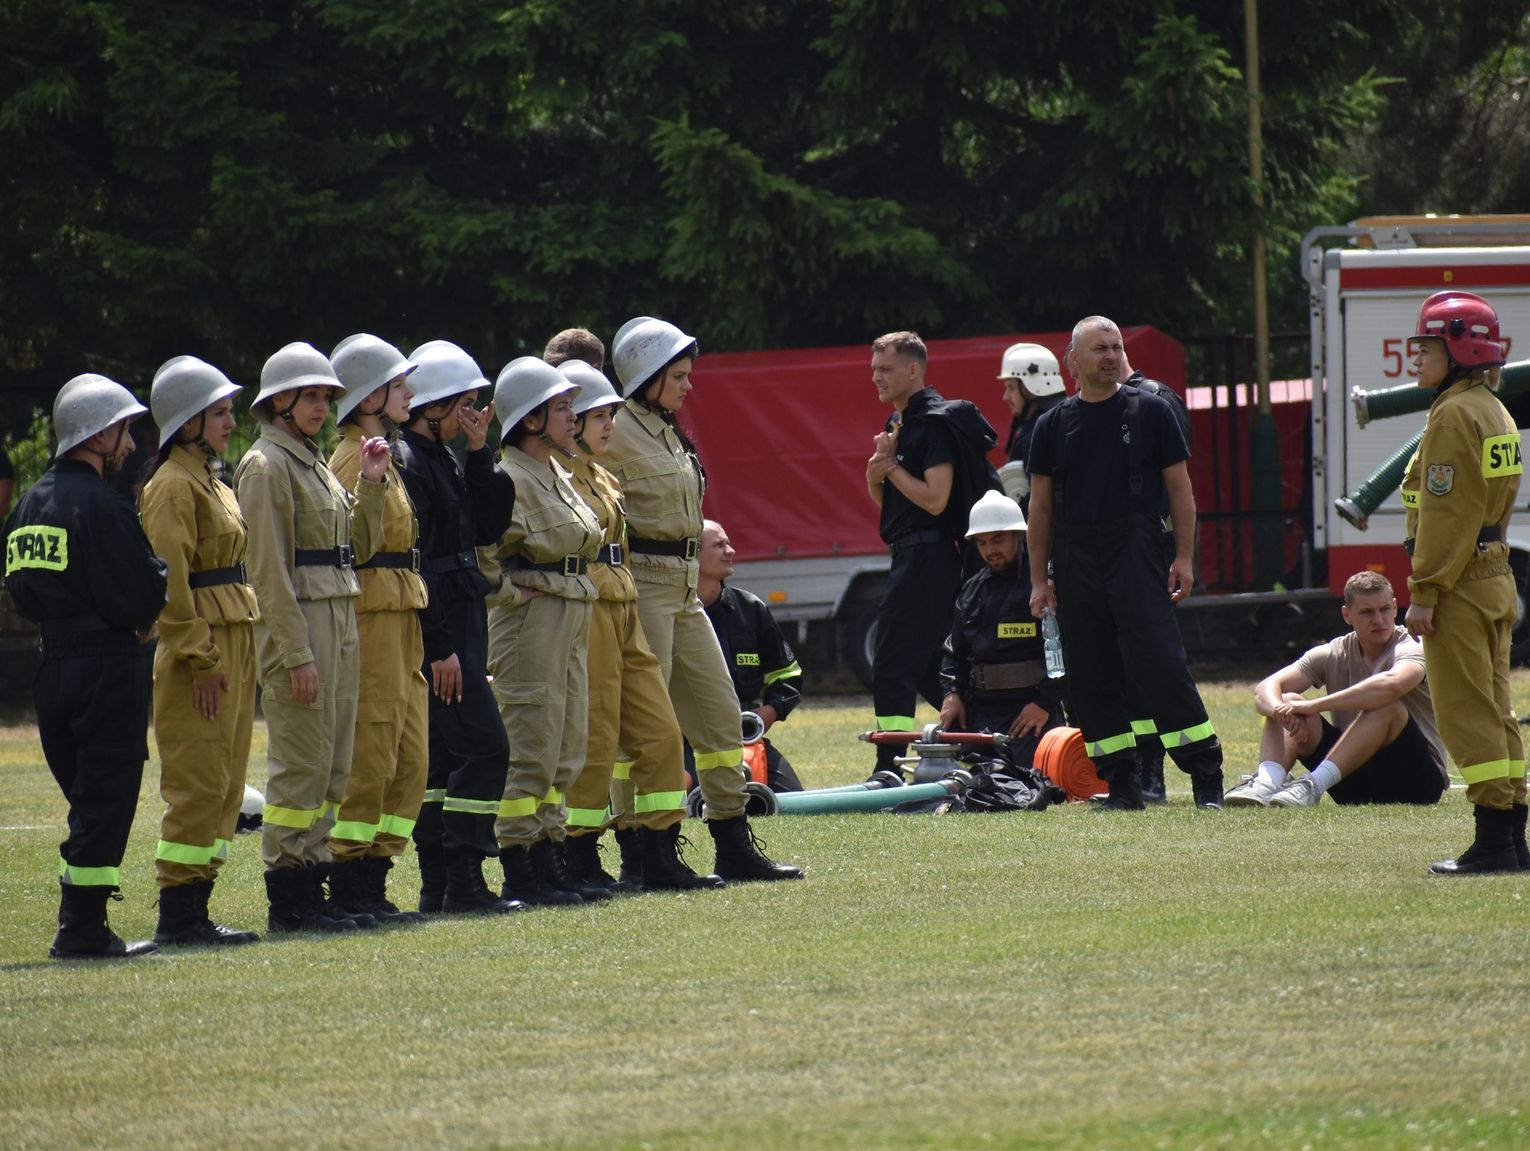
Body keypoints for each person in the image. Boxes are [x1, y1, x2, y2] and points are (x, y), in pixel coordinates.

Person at [606, 316, 802, 881]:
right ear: (648, 376)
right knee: (645, 730)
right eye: (681, 375)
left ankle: (733, 844)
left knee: (720, 722)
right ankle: (643, 853)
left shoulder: (666, 429)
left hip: (684, 587)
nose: (690, 385)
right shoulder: (616, 430)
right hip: (643, 586)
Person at [1026, 315, 1224, 810]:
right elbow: (1041, 509)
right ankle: (1122, 786)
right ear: (1073, 361)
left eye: (1115, 346)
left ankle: (1206, 778)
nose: (1111, 355)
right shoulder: (1051, 426)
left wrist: (1183, 556)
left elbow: (1181, 490)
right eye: (1099, 348)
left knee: (1160, 665)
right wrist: (1038, 580)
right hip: (1075, 558)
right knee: (1091, 676)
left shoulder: (1151, 411)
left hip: (1136, 549)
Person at [5, 374, 167, 958]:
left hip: (51, 667)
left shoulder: (28, 502)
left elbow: (20, 589)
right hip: (107, 666)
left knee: (85, 795)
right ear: (99, 435)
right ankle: (82, 928)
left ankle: (83, 920)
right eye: (124, 431)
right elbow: (144, 597)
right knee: (108, 793)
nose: (130, 444)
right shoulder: (104, 505)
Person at [233, 342, 388, 933]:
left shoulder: (312, 460)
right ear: (280, 402)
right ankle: (288, 896)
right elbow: (268, 571)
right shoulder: (265, 466)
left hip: (340, 616)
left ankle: (315, 881)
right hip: (303, 625)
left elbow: (360, 548)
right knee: (301, 764)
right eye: (311, 395)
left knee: (334, 766)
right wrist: (294, 653)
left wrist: (370, 483)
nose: (323, 405)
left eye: (327, 395)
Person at [556, 360, 721, 891]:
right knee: (597, 735)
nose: (611, 424)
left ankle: (659, 854)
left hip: (625, 604)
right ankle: (579, 858)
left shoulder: (601, 476)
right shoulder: (554, 479)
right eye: (599, 416)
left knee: (659, 733)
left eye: (609, 413)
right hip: (592, 612)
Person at [1400, 291, 1526, 874]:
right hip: (1494, 573)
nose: (1415, 358)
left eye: (1425, 347)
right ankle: (1512, 835)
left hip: (1460, 583)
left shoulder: (1453, 414)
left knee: (1466, 714)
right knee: (1497, 709)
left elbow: (1447, 514)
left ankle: (1494, 842)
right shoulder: (1493, 408)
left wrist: (1424, 592)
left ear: (1455, 349)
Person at [139, 356, 260, 947]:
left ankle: (199, 907)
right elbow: (170, 583)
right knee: (197, 780)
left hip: (233, 637)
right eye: (219, 413)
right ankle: (178, 917)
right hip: (201, 651)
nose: (229, 422)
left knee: (227, 782)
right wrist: (201, 657)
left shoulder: (210, 478)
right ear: (187, 422)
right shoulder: (170, 487)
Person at [396, 340, 520, 915]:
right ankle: (465, 880)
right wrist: (439, 646)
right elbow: (416, 560)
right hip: (441, 622)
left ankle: (439, 884)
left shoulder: (445, 454)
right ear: (433, 404)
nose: (472, 413)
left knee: (445, 760)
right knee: (487, 747)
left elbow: (488, 526)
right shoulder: (406, 460)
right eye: (464, 404)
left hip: (464, 612)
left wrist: (478, 451)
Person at [487, 356, 609, 906]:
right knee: (530, 744)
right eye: (561, 407)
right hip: (531, 622)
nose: (572, 416)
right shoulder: (507, 476)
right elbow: (477, 556)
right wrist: (513, 594)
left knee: (566, 744)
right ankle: (520, 862)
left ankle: (550, 852)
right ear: (531, 418)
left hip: (570, 613)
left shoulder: (556, 471)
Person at [324, 334, 430, 924]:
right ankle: (348, 880)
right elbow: (356, 546)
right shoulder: (348, 460)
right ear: (370, 395)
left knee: (410, 758)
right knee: (372, 752)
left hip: (401, 613)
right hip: (370, 617)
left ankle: (377, 873)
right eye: (398, 384)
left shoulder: (382, 453)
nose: (409, 392)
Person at [1227, 571, 1447, 808]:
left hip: (1417, 784)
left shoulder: (1412, 646)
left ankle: (1312, 787)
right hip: (1353, 783)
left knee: (1387, 706)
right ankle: (1266, 784)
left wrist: (1315, 705)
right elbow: (1265, 688)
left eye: (1384, 609)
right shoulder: (1334, 651)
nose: (1378, 619)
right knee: (1287, 699)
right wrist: (1281, 710)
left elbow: (1392, 684)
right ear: (1347, 615)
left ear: (1395, 608)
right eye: (1367, 612)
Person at [864, 331, 963, 776]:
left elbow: (937, 499)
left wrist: (893, 468)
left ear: (912, 370)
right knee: (925, 666)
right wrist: (875, 473)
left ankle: (889, 762)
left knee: (890, 660)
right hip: (908, 553)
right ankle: (974, 734)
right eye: (874, 369)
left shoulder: (932, 424)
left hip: (930, 555)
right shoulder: (897, 424)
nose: (876, 377)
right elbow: (892, 501)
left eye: (885, 369)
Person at [938, 491, 1066, 770]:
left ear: (1020, 536)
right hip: (980, 716)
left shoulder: (1041, 587)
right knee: (956, 777)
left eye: (998, 540)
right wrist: (952, 694)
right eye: (982, 543)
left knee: (1027, 779)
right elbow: (953, 652)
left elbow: (1068, 650)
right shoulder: (972, 591)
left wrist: (1043, 703)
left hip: (1031, 716)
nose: (990, 550)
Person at [694, 518, 804, 793]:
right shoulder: (670, 611)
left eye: (728, 543)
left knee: (790, 799)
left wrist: (767, 713)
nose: (730, 551)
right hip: (685, 737)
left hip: (743, 736)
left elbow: (787, 675)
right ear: (692, 556)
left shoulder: (750, 608)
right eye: (719, 545)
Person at [996, 342, 1066, 510]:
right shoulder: (1062, 419)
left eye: (1011, 388)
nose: (1005, 397)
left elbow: (1041, 501)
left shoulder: (1039, 431)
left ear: (1031, 388)